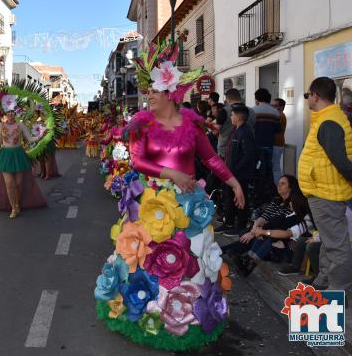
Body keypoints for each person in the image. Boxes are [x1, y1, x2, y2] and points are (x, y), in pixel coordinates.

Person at [94, 46, 244, 350]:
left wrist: (234, 183)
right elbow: (138, 162)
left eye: (154, 91)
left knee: (191, 260)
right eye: (147, 91)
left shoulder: (192, 126)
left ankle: (191, 315)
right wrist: (170, 174)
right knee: (149, 260)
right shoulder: (143, 126)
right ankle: (147, 314)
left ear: (171, 94)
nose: (148, 96)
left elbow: (211, 159)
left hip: (190, 207)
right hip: (152, 202)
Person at [298, 77, 352, 291]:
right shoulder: (327, 118)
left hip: (326, 193)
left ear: (315, 95)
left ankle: (337, 292)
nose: (307, 99)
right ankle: (323, 281)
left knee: (337, 246)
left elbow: (341, 161)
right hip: (323, 190)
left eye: (307, 95)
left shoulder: (329, 121)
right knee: (328, 240)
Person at [222, 175, 313, 276]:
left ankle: (245, 259)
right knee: (253, 233)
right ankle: (247, 260)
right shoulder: (278, 202)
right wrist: (256, 230)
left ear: (291, 188)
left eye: (283, 184)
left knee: (267, 236)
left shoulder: (298, 216)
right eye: (279, 183)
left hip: (287, 247)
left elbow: (285, 232)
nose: (279, 185)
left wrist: (260, 231)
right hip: (273, 236)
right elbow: (264, 218)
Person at [0, 109, 46, 218]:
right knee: (9, 183)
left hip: (18, 155)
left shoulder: (20, 125)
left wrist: (40, 136)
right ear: (5, 114)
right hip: (6, 156)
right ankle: (14, 208)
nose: (11, 114)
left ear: (15, 113)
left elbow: (30, 139)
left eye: (13, 112)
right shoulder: (0, 126)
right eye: (8, 112)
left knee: (18, 183)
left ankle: (17, 204)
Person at [220, 104, 256, 237]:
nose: (231, 117)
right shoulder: (236, 130)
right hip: (230, 173)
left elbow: (248, 155)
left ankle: (240, 225)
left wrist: (235, 170)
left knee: (240, 199)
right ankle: (229, 222)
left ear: (239, 117)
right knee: (229, 199)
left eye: (232, 115)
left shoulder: (245, 132)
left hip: (240, 174)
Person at [215, 89, 255, 159]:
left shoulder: (224, 111)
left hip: (225, 151)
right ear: (240, 98)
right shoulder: (252, 111)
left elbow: (215, 131)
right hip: (246, 150)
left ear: (228, 99)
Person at [252, 88, 280, 179]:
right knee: (268, 167)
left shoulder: (252, 111)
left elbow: (250, 128)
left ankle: (258, 189)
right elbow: (277, 129)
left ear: (257, 98)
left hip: (255, 145)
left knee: (256, 168)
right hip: (269, 144)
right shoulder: (275, 112)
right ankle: (269, 188)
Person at [271, 98, 287, 184]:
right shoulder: (279, 115)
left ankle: (278, 185)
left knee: (276, 166)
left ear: (281, 107)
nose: (273, 107)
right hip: (277, 143)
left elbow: (276, 129)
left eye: (275, 105)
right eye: (272, 105)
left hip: (277, 143)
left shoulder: (280, 116)